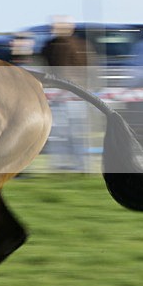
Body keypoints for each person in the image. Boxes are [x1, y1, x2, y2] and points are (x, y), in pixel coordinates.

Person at [40, 16, 91, 171]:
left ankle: (79, 165)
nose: (55, 28)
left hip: (74, 97)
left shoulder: (81, 45)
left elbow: (86, 71)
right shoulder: (48, 46)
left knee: (76, 132)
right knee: (58, 133)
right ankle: (60, 165)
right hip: (57, 96)